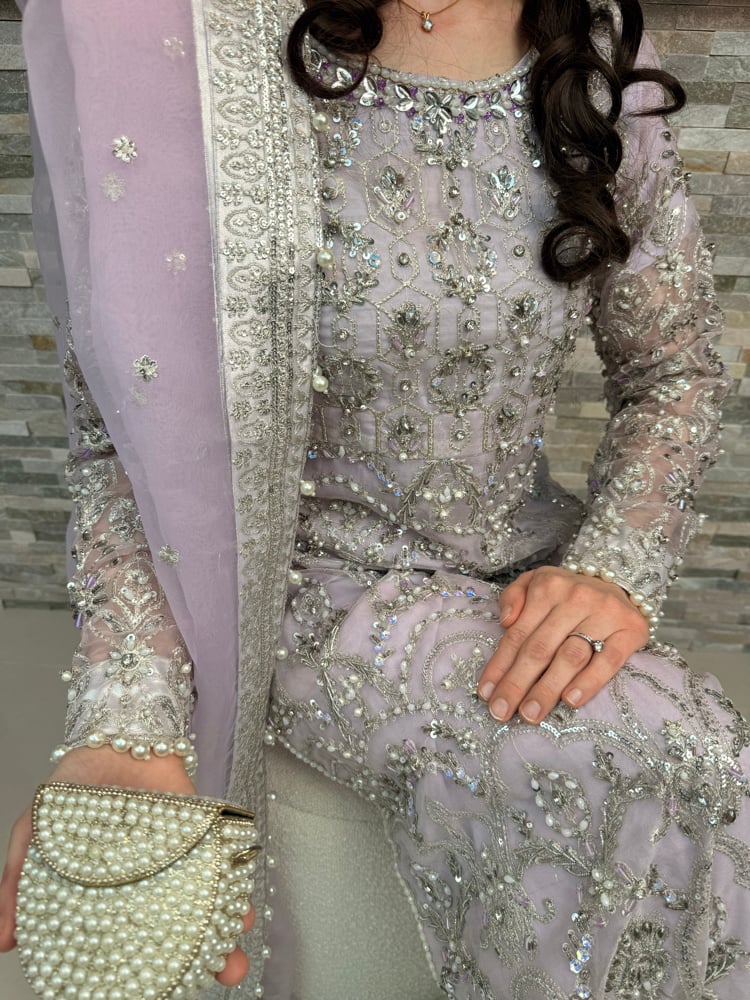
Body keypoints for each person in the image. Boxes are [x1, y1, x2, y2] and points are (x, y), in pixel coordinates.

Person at [1, 0, 749, 996]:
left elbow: (673, 369)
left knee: (701, 760)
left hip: (526, 561)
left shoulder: (592, 48)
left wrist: (615, 565)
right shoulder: (187, 36)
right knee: (643, 752)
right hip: (302, 587)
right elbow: (122, 430)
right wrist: (125, 715)